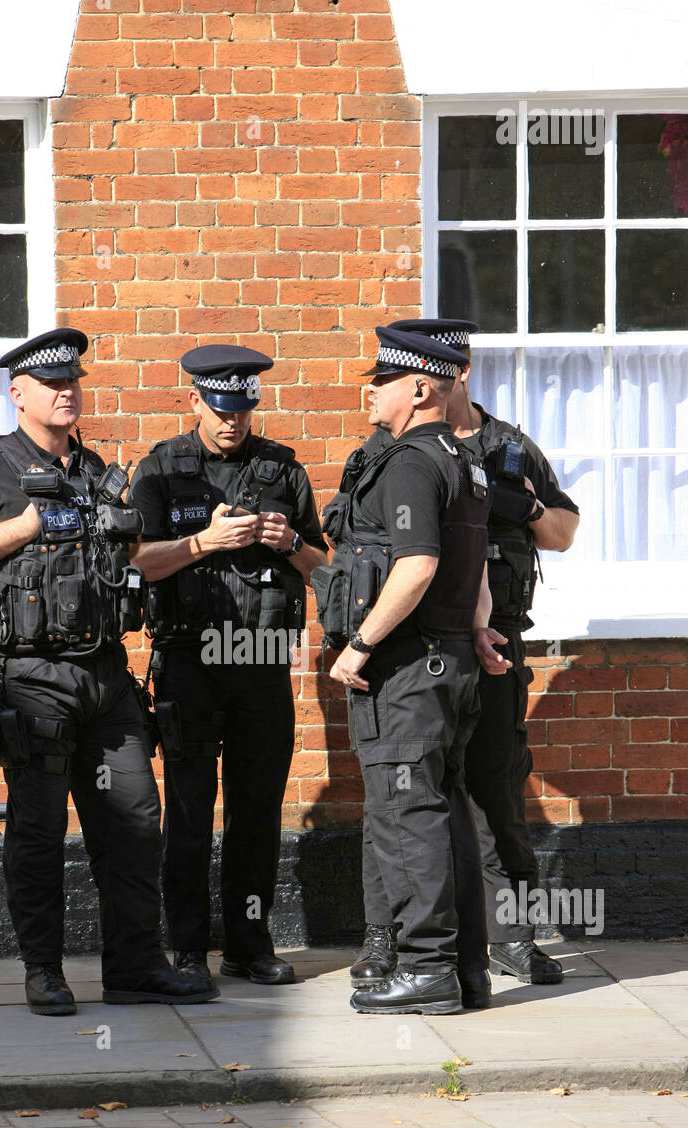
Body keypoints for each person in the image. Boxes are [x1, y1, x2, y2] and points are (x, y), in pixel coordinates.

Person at [0, 328, 218, 1015]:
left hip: (106, 677)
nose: (66, 392)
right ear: (18, 394)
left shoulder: (96, 473)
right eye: (52, 384)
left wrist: (200, 542)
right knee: (37, 829)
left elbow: (138, 559)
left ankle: (135, 967)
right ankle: (44, 971)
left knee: (135, 822)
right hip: (30, 681)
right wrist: (25, 526)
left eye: (73, 382)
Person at [128, 345, 327, 988]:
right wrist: (203, 543)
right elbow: (134, 562)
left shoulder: (283, 471)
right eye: (219, 409)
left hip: (263, 657)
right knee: (189, 806)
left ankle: (248, 943)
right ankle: (186, 949)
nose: (231, 423)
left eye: (242, 410)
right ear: (194, 401)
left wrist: (288, 542)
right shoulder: (160, 470)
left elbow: (328, 568)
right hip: (189, 656)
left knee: (258, 806)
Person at [392, 319, 580, 985]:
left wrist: (520, 508)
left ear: (461, 372)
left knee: (499, 787)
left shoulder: (508, 446)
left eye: (450, 365)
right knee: (411, 794)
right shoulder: (399, 448)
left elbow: (563, 531)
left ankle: (515, 937)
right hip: (421, 648)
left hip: (500, 644)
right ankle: (401, 944)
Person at [313, 322, 494, 1014]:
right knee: (444, 814)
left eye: (382, 380)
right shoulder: (467, 459)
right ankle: (465, 970)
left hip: (408, 672)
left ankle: (426, 969)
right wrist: (478, 629)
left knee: (405, 816)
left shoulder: (411, 461)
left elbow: (418, 564)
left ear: (419, 388)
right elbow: (472, 565)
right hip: (451, 664)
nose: (371, 390)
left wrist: (358, 644)